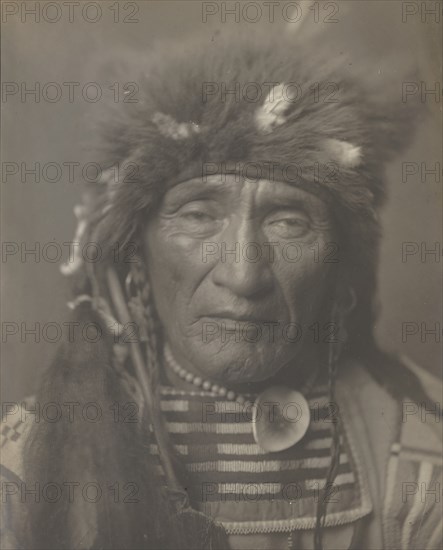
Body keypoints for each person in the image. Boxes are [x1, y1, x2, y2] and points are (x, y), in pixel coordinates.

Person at [1, 33, 441, 550]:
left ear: (338, 266)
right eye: (198, 215)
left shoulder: (421, 456)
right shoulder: (29, 462)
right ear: (137, 255)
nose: (244, 275)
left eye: (288, 221)